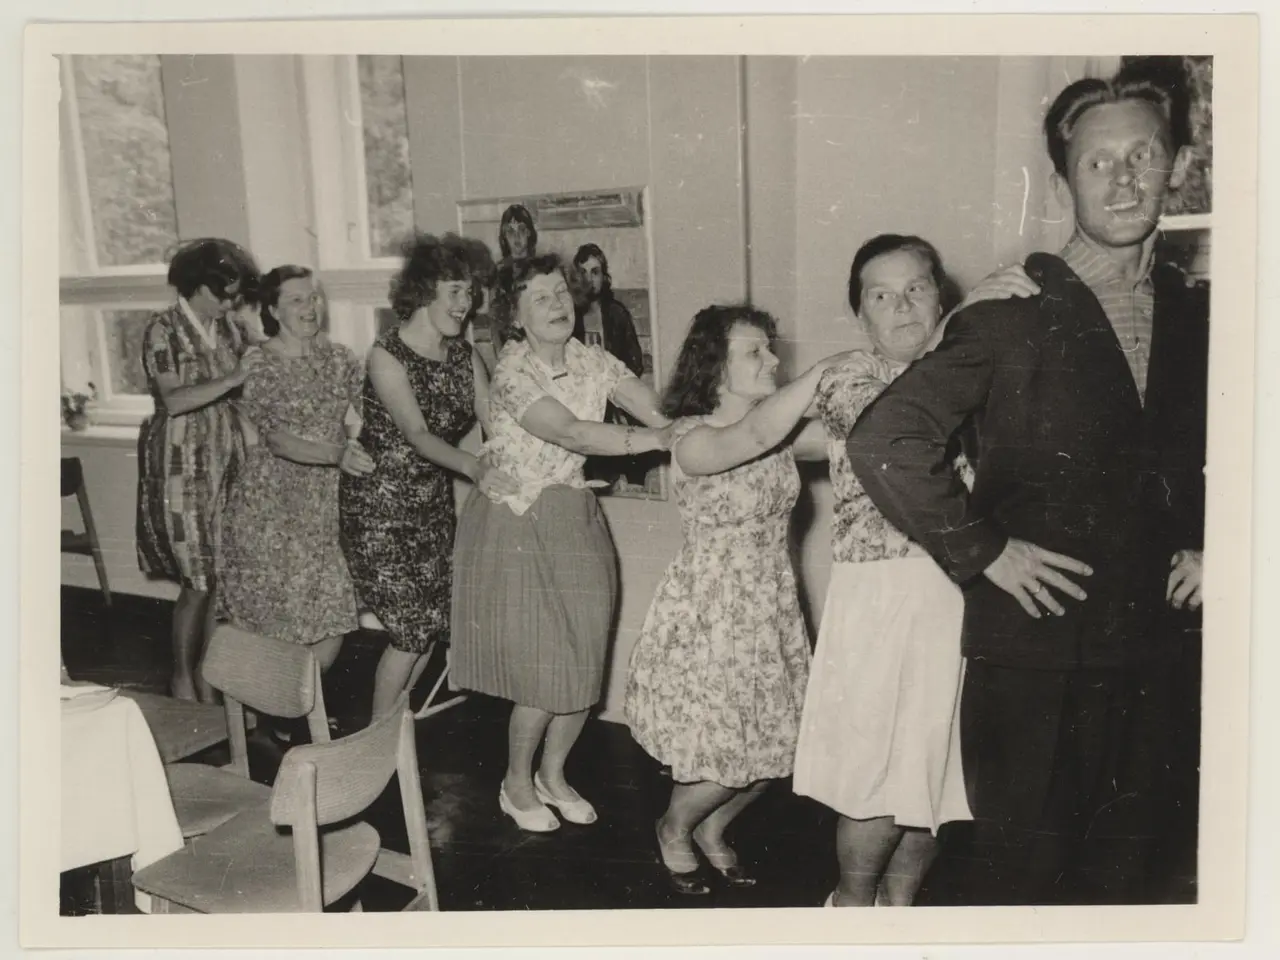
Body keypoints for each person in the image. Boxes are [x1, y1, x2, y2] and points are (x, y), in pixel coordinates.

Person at [844, 61, 1204, 905]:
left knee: (1127, 886)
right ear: (1063, 184)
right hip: (1035, 664)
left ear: (1179, 167)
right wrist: (983, 551)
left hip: (1155, 657)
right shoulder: (1012, 310)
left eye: (1144, 156)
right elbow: (885, 438)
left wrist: (1220, 540)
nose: (1124, 180)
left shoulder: (1198, 310)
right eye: (1097, 163)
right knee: (1025, 890)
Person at [790, 235, 1037, 908]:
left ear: (938, 295)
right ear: (860, 316)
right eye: (881, 295)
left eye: (917, 290)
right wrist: (961, 329)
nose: (901, 307)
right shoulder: (848, 376)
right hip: (882, 599)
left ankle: (898, 915)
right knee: (877, 780)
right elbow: (892, 427)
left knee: (939, 777)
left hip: (964, 593)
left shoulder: (973, 375)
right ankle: (849, 911)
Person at [623, 305, 861, 894]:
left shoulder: (776, 431)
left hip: (770, 607)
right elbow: (750, 437)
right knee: (726, 753)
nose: (774, 359)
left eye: (769, 348)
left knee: (781, 747)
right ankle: (674, 827)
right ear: (715, 367)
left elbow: (846, 437)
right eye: (755, 351)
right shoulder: (692, 438)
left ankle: (712, 827)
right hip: (713, 613)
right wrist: (825, 372)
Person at [450, 253, 673, 833]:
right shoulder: (512, 372)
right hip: (518, 521)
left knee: (584, 660)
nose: (557, 305)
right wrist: (661, 439)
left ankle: (553, 775)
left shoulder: (591, 358)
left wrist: (688, 425)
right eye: (540, 297)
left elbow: (648, 404)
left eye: (561, 293)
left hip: (574, 514)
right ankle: (516, 783)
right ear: (515, 316)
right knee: (545, 670)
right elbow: (573, 433)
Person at [339, 233, 517, 720]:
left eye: (471, 293)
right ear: (422, 292)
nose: (466, 304)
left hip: (430, 507)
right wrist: (475, 467)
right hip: (378, 508)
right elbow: (417, 435)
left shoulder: (463, 354)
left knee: (431, 625)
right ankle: (377, 742)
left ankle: (393, 728)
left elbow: (494, 419)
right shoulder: (387, 355)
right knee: (411, 630)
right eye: (455, 292)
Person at [218, 266, 373, 685]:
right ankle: (269, 709)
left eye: (314, 297)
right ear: (273, 310)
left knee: (334, 618)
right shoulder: (259, 363)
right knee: (275, 625)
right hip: (271, 508)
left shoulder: (340, 358)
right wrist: (338, 453)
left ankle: (291, 704)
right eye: (297, 300)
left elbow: (377, 413)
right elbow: (278, 440)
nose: (310, 307)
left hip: (324, 507)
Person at [136, 237, 262, 702]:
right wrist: (234, 378)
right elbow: (174, 399)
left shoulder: (232, 329)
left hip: (228, 461)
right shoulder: (162, 329)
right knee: (197, 581)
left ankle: (209, 679)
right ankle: (181, 677)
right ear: (197, 285)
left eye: (235, 295)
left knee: (221, 580)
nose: (230, 304)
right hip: (180, 466)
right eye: (223, 294)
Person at [571, 243, 649, 488]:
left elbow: (634, 360)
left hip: (616, 394)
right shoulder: (571, 317)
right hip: (583, 399)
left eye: (595, 272)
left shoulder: (616, 313)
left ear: (604, 277)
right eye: (583, 273)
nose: (589, 279)